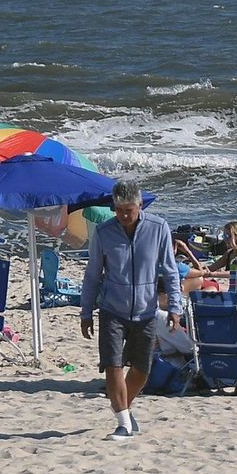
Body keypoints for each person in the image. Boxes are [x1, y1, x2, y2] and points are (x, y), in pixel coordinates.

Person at [80, 180, 182, 441]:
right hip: (112, 309)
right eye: (119, 210)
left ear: (139, 205)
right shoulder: (104, 233)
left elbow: (170, 272)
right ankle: (123, 422)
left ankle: (124, 407)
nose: (124, 215)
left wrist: (174, 307)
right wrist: (86, 311)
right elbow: (92, 276)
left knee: (141, 370)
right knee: (113, 366)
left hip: (146, 311)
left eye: (129, 210)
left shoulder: (158, 228)